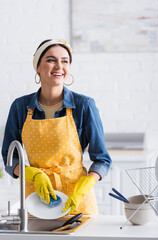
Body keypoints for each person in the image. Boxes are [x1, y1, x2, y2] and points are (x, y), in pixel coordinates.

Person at [1, 39, 112, 215]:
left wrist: (85, 185)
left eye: (65, 61)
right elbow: (9, 157)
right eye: (51, 60)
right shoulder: (20, 107)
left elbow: (102, 159)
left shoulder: (84, 105)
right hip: (36, 200)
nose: (59, 66)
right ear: (37, 67)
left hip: (77, 199)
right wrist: (33, 174)